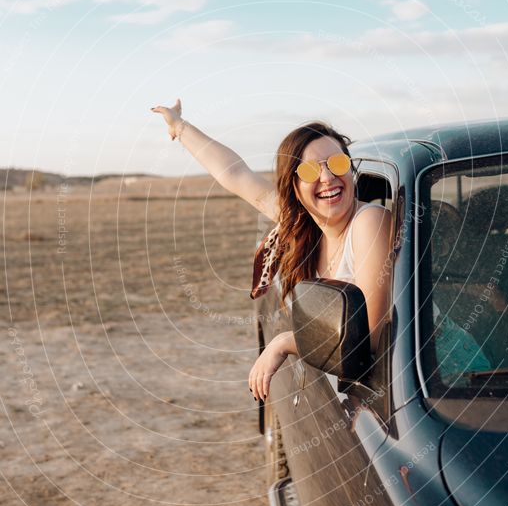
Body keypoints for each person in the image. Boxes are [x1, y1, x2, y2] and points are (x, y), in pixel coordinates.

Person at [151, 99, 392, 401]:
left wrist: (285, 342)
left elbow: (369, 337)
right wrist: (180, 127)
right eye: (309, 171)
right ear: (293, 185)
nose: (328, 177)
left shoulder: (369, 221)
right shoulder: (304, 224)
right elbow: (236, 175)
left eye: (338, 163)